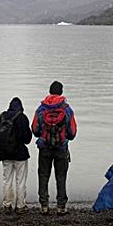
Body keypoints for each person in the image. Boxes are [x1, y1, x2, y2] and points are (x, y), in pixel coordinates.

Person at [31, 81, 77, 215]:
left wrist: (43, 135)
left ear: (50, 91)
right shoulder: (67, 109)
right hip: (61, 148)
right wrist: (64, 138)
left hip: (44, 147)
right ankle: (61, 207)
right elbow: (72, 133)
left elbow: (35, 130)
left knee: (43, 175)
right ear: (61, 92)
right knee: (61, 176)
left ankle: (44, 206)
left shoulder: (41, 109)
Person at [0, 97, 32, 215]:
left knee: (7, 180)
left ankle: (7, 204)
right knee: (20, 181)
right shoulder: (22, 117)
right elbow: (27, 139)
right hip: (20, 154)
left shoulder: (2, 117)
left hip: (5, 154)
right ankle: (20, 205)